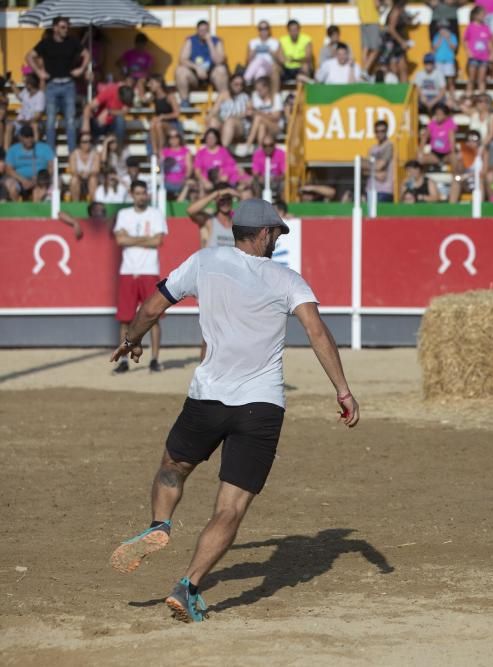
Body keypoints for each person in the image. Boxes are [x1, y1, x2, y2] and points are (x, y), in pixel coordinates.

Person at [108, 199, 359, 624]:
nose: (278, 240)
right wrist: (343, 390)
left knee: (173, 467)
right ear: (262, 234)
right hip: (260, 408)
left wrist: (132, 340)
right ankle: (187, 585)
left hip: (207, 398)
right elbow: (318, 334)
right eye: (277, 233)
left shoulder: (205, 261)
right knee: (230, 508)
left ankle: (159, 524)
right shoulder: (287, 279)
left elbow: (153, 306)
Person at [112, 180, 168, 374]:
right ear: (132, 194)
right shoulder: (123, 214)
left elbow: (158, 240)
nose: (141, 196)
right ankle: (124, 360)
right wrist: (147, 240)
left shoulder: (155, 213)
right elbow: (120, 240)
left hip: (149, 270)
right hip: (128, 270)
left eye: (143, 193)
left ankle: (154, 359)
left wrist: (131, 239)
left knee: (154, 317)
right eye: (138, 193)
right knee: (125, 319)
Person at [27, 16, 90, 154]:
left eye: (67, 27)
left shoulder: (72, 41)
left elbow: (86, 54)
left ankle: (72, 154)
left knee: (71, 121)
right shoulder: (46, 42)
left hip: (68, 85)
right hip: (52, 86)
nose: (66, 30)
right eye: (62, 27)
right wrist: (39, 72)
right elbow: (29, 56)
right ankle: (50, 155)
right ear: (55, 28)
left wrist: (81, 69)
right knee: (50, 121)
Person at [175, 20, 229, 110]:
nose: (203, 33)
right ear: (197, 30)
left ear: (209, 31)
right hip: (195, 75)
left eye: (205, 30)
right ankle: (184, 101)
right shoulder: (190, 41)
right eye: (201, 30)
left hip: (212, 75)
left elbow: (218, 61)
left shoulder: (217, 41)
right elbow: (182, 59)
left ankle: (224, 101)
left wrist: (210, 42)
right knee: (180, 70)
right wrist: (197, 68)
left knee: (221, 69)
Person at [3, 125, 55, 202]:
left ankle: (37, 212)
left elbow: (51, 166)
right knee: (10, 185)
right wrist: (23, 180)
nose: (29, 139)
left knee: (40, 190)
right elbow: (8, 169)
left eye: (31, 136)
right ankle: (17, 211)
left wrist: (38, 180)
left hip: (40, 180)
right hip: (20, 180)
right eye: (26, 137)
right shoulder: (13, 150)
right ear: (20, 138)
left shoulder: (45, 148)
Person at [194, 128, 245, 195]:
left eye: (213, 138)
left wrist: (226, 175)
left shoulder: (223, 151)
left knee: (242, 183)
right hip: (207, 182)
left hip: (224, 180)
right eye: (208, 138)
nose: (210, 140)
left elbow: (231, 165)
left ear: (217, 139)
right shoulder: (201, 153)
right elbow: (197, 171)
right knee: (202, 186)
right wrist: (205, 181)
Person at [84, 80, 134, 147]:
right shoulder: (110, 91)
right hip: (98, 124)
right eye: (124, 103)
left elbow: (124, 111)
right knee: (83, 121)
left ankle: (118, 149)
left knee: (120, 120)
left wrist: (108, 111)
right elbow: (88, 107)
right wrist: (86, 128)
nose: (125, 105)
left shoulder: (127, 95)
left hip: (111, 126)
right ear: (119, 96)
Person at [208, 75, 251, 147]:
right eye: (236, 84)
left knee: (230, 122)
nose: (239, 87)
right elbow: (214, 111)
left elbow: (249, 112)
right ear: (230, 84)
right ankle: (211, 149)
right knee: (213, 121)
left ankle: (223, 150)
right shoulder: (223, 95)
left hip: (239, 125)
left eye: (241, 84)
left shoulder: (246, 97)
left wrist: (234, 117)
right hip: (224, 122)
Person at [244, 21, 284, 94]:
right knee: (259, 71)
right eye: (261, 29)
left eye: (265, 28)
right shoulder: (253, 42)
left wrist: (271, 52)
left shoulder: (275, 42)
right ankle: (261, 99)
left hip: (271, 66)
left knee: (261, 60)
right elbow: (248, 61)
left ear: (269, 30)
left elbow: (281, 60)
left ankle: (246, 78)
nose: (263, 31)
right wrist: (253, 53)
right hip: (257, 68)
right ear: (258, 30)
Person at [148, 75, 181, 155]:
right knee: (153, 125)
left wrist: (163, 116)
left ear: (159, 84)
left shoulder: (169, 96)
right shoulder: (154, 97)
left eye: (152, 83)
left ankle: (161, 150)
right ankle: (155, 152)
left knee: (158, 125)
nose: (149, 85)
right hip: (159, 124)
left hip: (172, 123)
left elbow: (177, 113)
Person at [246, 78, 284, 148]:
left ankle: (248, 144)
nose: (258, 92)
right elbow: (250, 113)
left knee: (259, 118)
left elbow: (276, 117)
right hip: (261, 125)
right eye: (257, 90)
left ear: (266, 88)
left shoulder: (276, 97)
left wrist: (260, 113)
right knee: (261, 126)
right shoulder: (255, 96)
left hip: (275, 126)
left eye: (260, 90)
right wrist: (250, 111)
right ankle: (260, 150)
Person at [465, 6, 493, 95]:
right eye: (482, 14)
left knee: (482, 79)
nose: (484, 16)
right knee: (471, 79)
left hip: (484, 58)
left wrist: (491, 54)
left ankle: (482, 98)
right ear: (476, 15)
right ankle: (468, 98)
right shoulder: (470, 27)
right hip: (473, 58)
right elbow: (465, 40)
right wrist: (468, 52)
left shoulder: (486, 28)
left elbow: (489, 42)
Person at [365, 119, 395, 203]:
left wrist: (368, 169)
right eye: (377, 131)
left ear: (387, 131)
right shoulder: (372, 148)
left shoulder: (389, 146)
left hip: (385, 190)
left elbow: (380, 166)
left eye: (382, 131)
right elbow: (363, 169)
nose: (380, 134)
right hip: (370, 188)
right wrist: (375, 173)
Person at [162, 129, 194, 201]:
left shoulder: (186, 151)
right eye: (171, 137)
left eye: (176, 136)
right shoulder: (164, 152)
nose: (173, 139)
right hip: (167, 182)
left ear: (179, 138)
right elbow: (160, 167)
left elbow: (189, 168)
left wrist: (184, 179)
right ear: (168, 139)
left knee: (188, 185)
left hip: (182, 182)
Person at [119, 33, 154, 98]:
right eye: (139, 43)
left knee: (140, 82)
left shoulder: (148, 56)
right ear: (135, 43)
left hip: (142, 77)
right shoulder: (129, 53)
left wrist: (140, 72)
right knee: (129, 81)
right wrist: (124, 71)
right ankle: (128, 100)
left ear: (145, 44)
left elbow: (148, 71)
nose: (140, 46)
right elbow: (119, 63)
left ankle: (142, 100)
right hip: (130, 76)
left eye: (142, 44)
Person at [68, 132, 101, 201]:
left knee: (93, 180)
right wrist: (81, 173)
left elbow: (96, 170)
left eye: (90, 141)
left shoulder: (95, 154)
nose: (88, 144)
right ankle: (75, 203)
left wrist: (88, 173)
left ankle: (94, 202)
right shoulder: (74, 154)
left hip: (91, 177)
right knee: (74, 180)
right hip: (78, 177)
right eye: (85, 142)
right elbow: (73, 170)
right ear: (80, 143)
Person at [14, 73, 45, 144]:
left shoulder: (40, 95)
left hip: (32, 122)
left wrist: (26, 122)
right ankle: (5, 153)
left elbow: (38, 116)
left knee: (34, 125)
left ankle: (36, 150)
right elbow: (19, 96)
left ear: (30, 85)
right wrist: (12, 83)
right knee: (9, 126)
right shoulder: (26, 91)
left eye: (26, 82)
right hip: (21, 122)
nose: (24, 83)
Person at [431, 21, 459, 97]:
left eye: (444, 28)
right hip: (438, 61)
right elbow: (434, 48)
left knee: (450, 81)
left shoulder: (452, 36)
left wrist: (448, 38)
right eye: (440, 28)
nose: (442, 30)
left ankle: (452, 97)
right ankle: (441, 96)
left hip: (449, 61)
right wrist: (440, 38)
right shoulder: (436, 36)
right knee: (440, 81)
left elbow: (453, 48)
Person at [358, 0, 383, 76]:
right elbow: (377, 4)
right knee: (376, 49)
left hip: (363, 21)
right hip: (373, 20)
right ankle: (365, 71)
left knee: (365, 49)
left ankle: (364, 72)